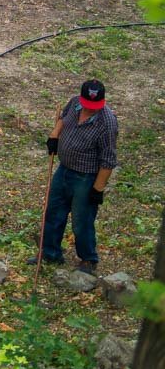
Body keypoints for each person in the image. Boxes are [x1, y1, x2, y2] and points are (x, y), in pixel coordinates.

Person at [31, 79, 118, 274]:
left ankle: (88, 258)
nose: (90, 109)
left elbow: (108, 160)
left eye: (94, 106)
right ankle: (50, 252)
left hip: (85, 178)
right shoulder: (74, 103)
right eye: (87, 104)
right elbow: (63, 118)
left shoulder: (107, 123)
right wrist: (54, 135)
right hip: (64, 169)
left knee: (82, 220)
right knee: (53, 211)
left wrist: (98, 188)